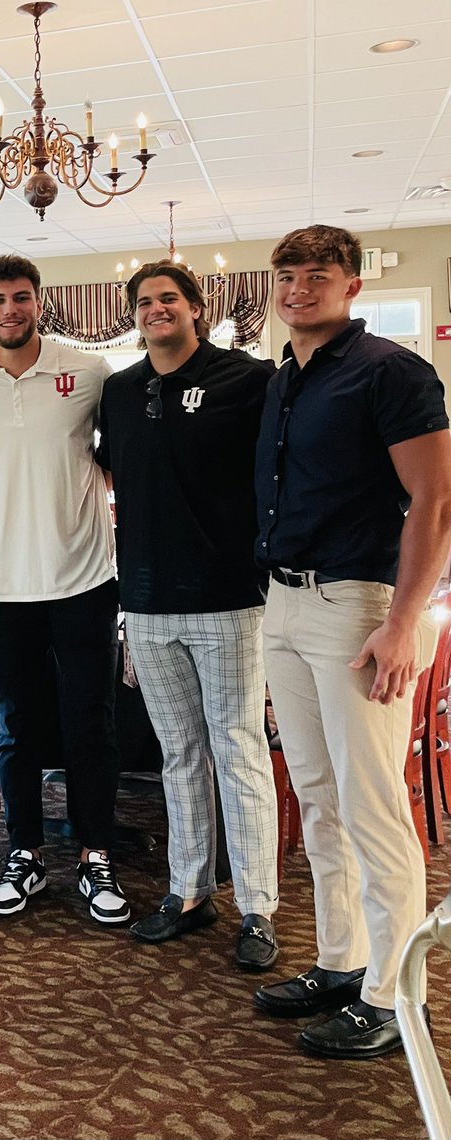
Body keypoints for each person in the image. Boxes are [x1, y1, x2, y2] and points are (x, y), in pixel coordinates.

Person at [250, 225, 451, 1059]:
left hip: (357, 609)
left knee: (372, 806)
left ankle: (391, 994)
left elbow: (435, 501)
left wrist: (404, 622)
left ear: (352, 286)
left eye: (318, 275)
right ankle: (343, 961)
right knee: (319, 795)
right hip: (284, 607)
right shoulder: (286, 379)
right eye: (288, 275)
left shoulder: (392, 372)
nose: (300, 288)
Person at [96, 260, 280, 969]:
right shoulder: (120, 389)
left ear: (196, 307)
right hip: (144, 603)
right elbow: (112, 473)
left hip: (229, 598)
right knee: (178, 755)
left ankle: (258, 907)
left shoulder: (247, 380)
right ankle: (188, 891)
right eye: (143, 302)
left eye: (168, 298)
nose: (155, 309)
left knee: (237, 749)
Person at [0, 254, 128, 926]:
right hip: (0, 587)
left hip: (84, 580)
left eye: (21, 297)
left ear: (38, 302)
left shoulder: (89, 373)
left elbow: (123, 454)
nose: (10, 310)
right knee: (13, 727)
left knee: (92, 725)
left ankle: (95, 855)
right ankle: (24, 853)